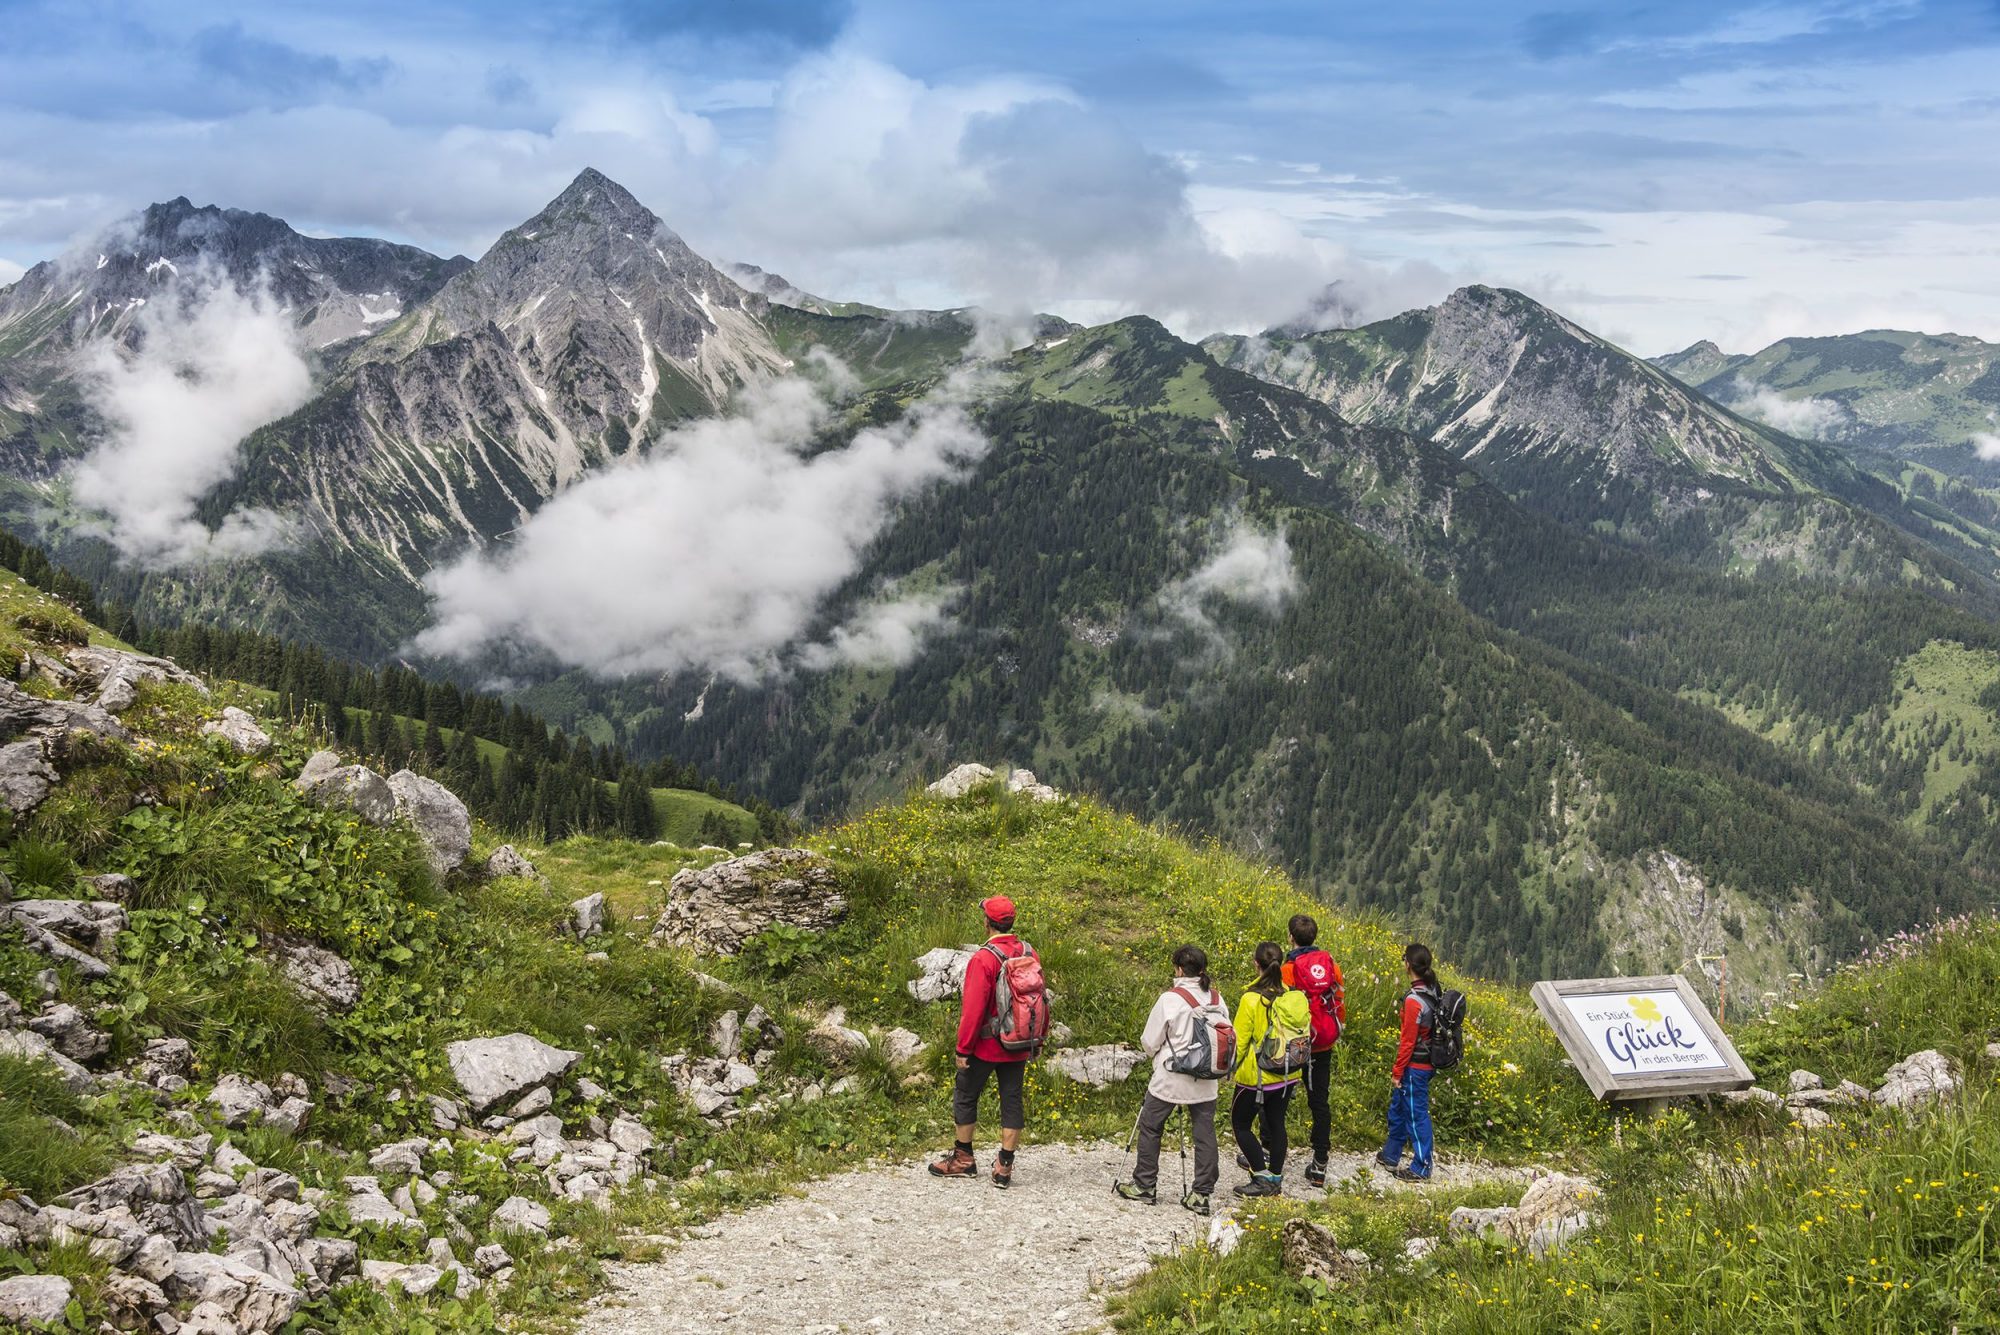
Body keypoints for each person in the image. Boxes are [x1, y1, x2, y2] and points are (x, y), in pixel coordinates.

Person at [929, 894, 1040, 1189]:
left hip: (986, 1045)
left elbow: (974, 1009)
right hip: (1018, 1042)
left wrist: (963, 1048)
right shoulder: (1029, 952)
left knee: (966, 1094)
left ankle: (963, 1159)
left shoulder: (984, 958)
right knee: (1012, 1098)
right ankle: (1004, 1166)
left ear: (987, 923)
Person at [1115, 946, 1226, 1216]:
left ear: (1178, 969)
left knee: (1151, 1125)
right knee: (1204, 1132)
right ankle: (1201, 1194)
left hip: (1171, 1076)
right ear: (1203, 969)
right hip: (1207, 1079)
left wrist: (1158, 1055)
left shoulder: (1170, 999)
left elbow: (1149, 1040)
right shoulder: (1216, 997)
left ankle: (1145, 1185)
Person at [1229, 940, 1311, 1197]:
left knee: (1240, 1123)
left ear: (1256, 964)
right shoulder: (1291, 996)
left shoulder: (1251, 1000)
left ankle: (1260, 1175)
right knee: (1277, 1123)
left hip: (1257, 1076)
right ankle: (1275, 1176)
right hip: (1289, 1073)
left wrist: (1229, 1069)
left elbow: (1240, 1041)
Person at [1281, 913, 1345, 1187]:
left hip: (1296, 1041)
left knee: (1280, 1094)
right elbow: (1339, 997)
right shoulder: (1331, 964)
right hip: (1324, 1042)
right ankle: (1320, 1164)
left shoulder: (1288, 968)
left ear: (1290, 937)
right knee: (1319, 1100)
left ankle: (1268, 1150)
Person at [1378, 942, 1442, 1182]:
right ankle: (1391, 1154)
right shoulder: (1433, 990)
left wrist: (1397, 1071)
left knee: (1415, 1114)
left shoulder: (1414, 1000)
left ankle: (1422, 1166)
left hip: (1416, 1067)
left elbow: (1407, 1041)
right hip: (1423, 1064)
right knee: (1399, 1107)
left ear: (1408, 964)